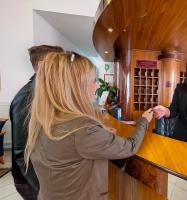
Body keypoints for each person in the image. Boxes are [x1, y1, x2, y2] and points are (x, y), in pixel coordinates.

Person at [24, 52, 153, 200]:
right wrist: (144, 120)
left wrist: (99, 133)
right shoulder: (83, 129)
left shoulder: (42, 120)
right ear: (77, 87)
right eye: (93, 80)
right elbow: (130, 147)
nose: (98, 85)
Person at [10, 45, 64, 199]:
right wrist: (43, 187)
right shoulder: (27, 98)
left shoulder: (45, 93)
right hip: (31, 181)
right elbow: (22, 152)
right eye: (59, 62)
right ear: (42, 65)